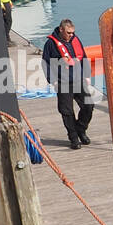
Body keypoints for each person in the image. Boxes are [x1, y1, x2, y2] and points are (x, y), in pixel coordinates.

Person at [43, 19, 93, 149]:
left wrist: (87, 75)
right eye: (68, 32)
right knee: (67, 111)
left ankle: (81, 129)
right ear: (61, 30)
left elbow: (84, 57)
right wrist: (52, 80)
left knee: (88, 106)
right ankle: (73, 137)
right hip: (62, 82)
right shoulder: (50, 44)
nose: (71, 35)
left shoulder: (76, 40)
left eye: (73, 32)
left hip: (79, 80)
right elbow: (45, 63)